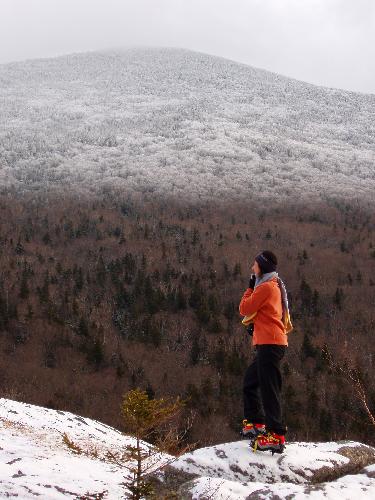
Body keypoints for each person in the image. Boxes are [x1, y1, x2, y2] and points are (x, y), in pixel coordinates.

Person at [239, 250, 292, 453]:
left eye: (255, 264)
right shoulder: (274, 285)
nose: (252, 267)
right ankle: (255, 422)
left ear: (262, 267)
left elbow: (244, 308)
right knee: (250, 382)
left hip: (271, 344)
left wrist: (249, 287)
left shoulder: (266, 288)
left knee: (269, 390)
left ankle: (276, 435)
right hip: (269, 343)